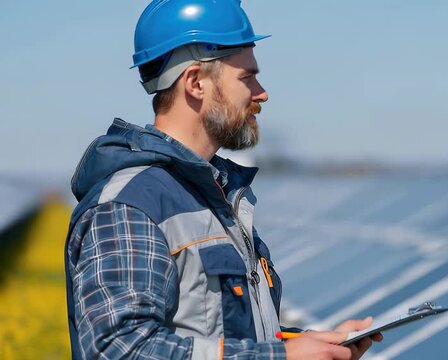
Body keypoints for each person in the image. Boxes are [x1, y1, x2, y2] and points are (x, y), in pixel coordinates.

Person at [64, 0, 380, 359]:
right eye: (247, 77)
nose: (262, 93)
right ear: (196, 82)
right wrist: (281, 358)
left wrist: (310, 345)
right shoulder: (131, 206)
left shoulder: (216, 195)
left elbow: (218, 333)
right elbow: (121, 348)